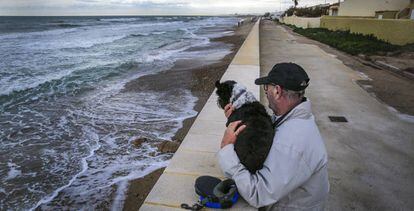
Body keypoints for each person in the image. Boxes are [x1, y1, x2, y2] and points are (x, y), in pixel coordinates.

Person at [217, 62, 329, 210]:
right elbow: (269, 128)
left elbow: (258, 194)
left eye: (266, 87)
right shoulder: (295, 118)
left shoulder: (292, 143)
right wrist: (235, 117)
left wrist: (226, 148)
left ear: (277, 91)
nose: (265, 92)